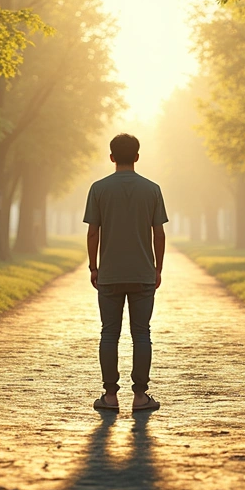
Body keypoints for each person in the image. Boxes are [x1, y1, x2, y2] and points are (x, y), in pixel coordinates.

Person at [84, 133, 167, 413]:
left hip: (109, 274)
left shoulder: (98, 189)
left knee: (109, 334)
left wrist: (94, 267)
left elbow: (93, 231)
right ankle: (141, 397)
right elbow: (159, 232)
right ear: (137, 156)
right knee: (142, 334)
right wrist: (157, 268)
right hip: (143, 273)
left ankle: (109, 396)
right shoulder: (152, 189)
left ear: (111, 157)